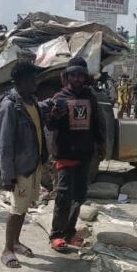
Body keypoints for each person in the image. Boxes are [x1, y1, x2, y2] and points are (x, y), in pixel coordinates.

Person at [47, 57, 105, 251]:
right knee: (63, 196)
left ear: (85, 77)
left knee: (79, 196)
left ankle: (70, 232)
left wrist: (101, 144)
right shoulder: (60, 98)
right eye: (74, 75)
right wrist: (55, 116)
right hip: (64, 153)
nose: (77, 78)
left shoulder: (90, 97)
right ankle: (56, 235)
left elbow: (97, 123)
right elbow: (50, 125)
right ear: (68, 76)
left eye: (81, 75)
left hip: (85, 154)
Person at [0, 61, 48, 268]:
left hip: (32, 165)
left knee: (24, 206)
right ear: (19, 81)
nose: (36, 83)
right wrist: (7, 174)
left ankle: (16, 242)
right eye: (31, 79)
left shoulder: (32, 102)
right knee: (16, 209)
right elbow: (4, 143)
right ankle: (7, 249)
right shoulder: (10, 106)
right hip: (20, 168)